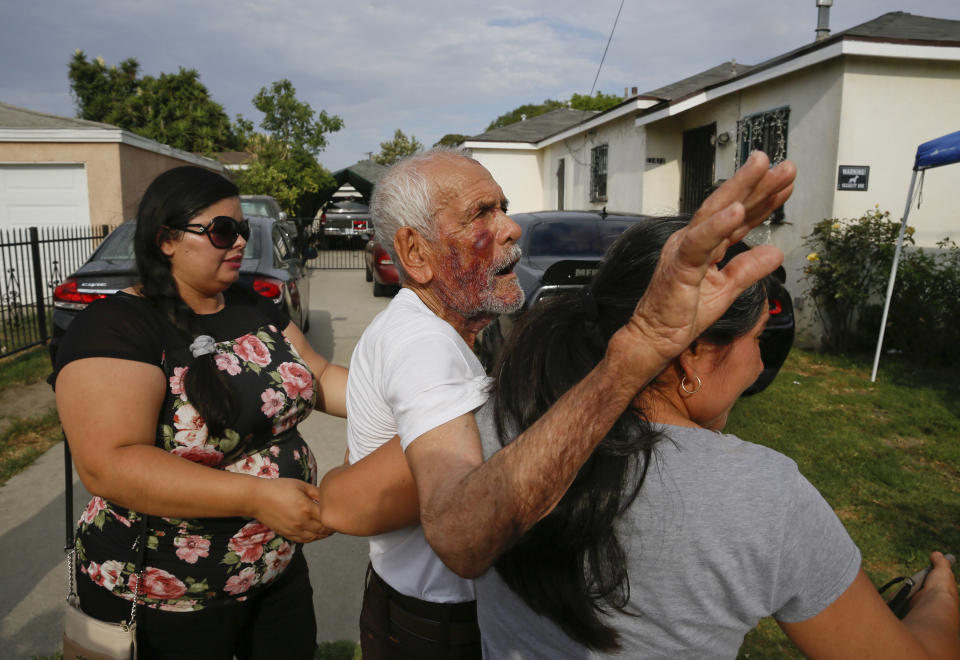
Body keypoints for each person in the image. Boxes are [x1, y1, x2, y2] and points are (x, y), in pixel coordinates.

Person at [315, 147, 795, 658]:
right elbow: (451, 525)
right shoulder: (425, 348)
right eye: (482, 213)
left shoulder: (417, 328)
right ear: (414, 253)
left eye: (503, 207)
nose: (511, 227)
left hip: (410, 605)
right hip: (437, 622)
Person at [472, 217, 960, 658]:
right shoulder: (764, 494)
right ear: (694, 355)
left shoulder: (500, 421)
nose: (760, 364)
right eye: (756, 339)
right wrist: (938, 599)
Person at [53, 166, 346, 659]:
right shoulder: (115, 327)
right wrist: (258, 497)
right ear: (167, 239)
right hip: (169, 596)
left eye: (242, 231)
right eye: (222, 230)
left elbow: (318, 377)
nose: (239, 244)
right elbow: (110, 463)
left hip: (273, 569)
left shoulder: (251, 304)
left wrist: (410, 403)